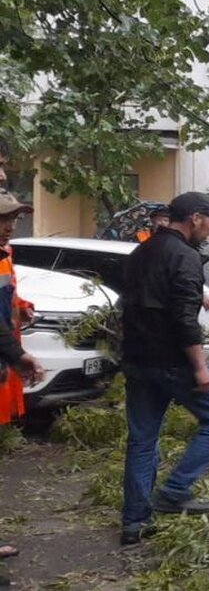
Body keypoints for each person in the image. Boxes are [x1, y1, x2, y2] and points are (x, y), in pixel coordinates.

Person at [119, 192, 209, 545]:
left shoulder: (142, 251)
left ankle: (135, 522)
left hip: (137, 360)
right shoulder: (184, 257)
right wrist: (200, 368)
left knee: (142, 440)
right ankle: (175, 491)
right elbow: (185, 319)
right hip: (172, 361)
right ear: (196, 218)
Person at [0, 185, 46, 575]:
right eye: (4, 218)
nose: (10, 225)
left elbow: (5, 297)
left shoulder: (4, 256)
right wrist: (18, 355)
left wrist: (21, 309)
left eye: (13, 218)